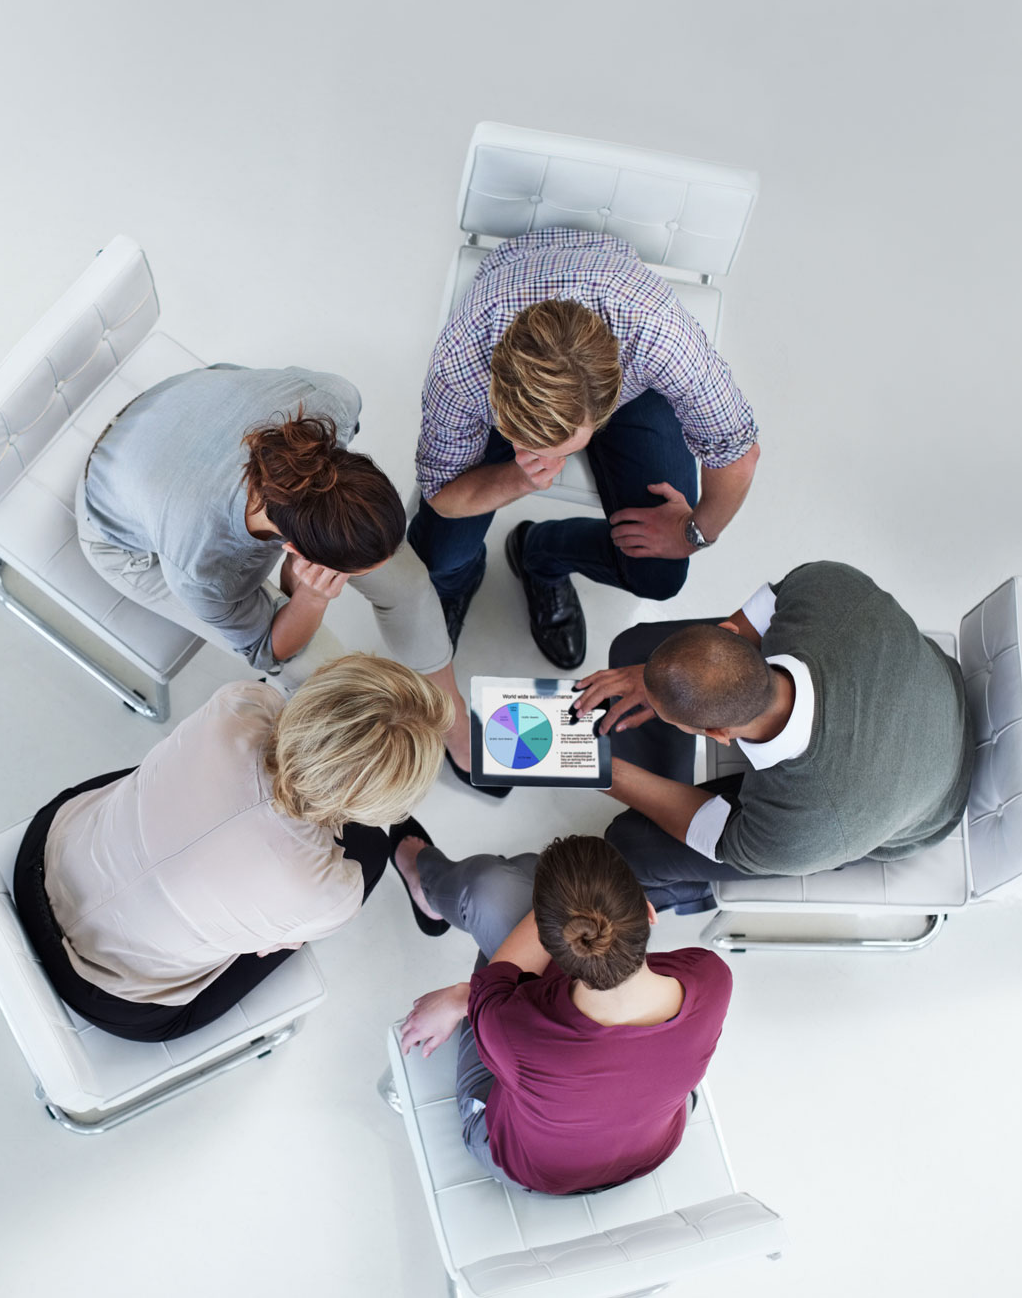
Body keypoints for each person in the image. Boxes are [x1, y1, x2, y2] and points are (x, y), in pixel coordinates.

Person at [77, 364, 480, 786]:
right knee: (320, 672)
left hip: (173, 407)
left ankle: (453, 721)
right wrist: (309, 598)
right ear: (294, 550)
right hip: (119, 523)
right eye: (345, 573)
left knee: (406, 582)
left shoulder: (333, 399)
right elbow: (268, 650)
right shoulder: (203, 568)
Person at [12, 656, 451, 1043]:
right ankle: (387, 839)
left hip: (41, 863)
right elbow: (273, 942)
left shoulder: (241, 703)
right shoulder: (330, 894)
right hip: (112, 997)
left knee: (173, 779)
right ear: (377, 802)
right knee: (371, 849)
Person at [407, 229, 762, 671]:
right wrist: (518, 477)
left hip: (623, 354)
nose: (548, 459)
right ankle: (459, 582)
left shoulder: (658, 335)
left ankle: (539, 555)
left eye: (563, 448)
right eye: (523, 439)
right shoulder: (461, 361)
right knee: (439, 554)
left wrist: (695, 531)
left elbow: (738, 453)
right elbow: (441, 491)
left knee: (660, 576)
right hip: (508, 296)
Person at [570, 561, 975, 913]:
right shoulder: (825, 584)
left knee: (630, 844)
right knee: (635, 648)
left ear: (718, 734)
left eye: (670, 718)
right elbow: (745, 626)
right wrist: (657, 678)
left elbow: (722, 836)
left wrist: (604, 772)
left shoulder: (800, 826)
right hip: (935, 690)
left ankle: (688, 892)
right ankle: (660, 754)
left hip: (929, 800)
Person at [394, 833, 732, 1195]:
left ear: (550, 946)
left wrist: (465, 996)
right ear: (649, 912)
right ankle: (490, 877)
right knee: (510, 881)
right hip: (652, 1147)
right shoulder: (712, 978)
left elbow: (494, 983)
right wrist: (464, 997)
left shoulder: (514, 1028)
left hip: (527, 1166)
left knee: (493, 887)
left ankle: (429, 883)